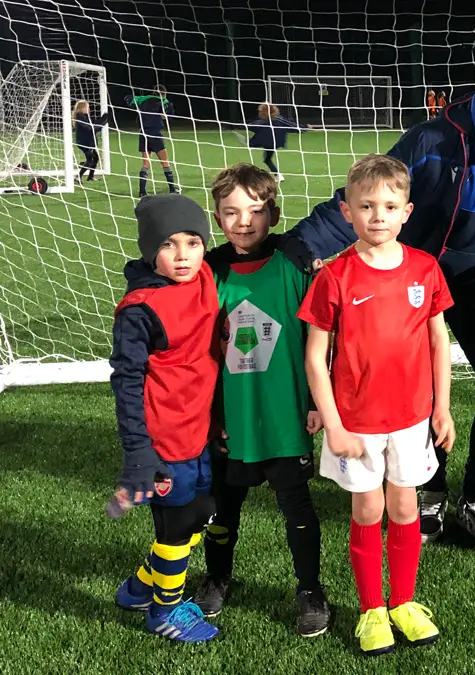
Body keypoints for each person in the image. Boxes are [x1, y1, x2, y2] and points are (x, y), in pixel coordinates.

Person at [283, 42, 475, 552]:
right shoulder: (433, 141)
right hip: (418, 280)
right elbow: (371, 194)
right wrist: (299, 247)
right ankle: (432, 489)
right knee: (417, 389)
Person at [298, 154, 454, 655]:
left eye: (389, 206)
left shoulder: (425, 269)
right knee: (367, 509)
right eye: (366, 206)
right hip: (358, 423)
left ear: (407, 211)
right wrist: (336, 425)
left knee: (406, 505)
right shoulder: (335, 276)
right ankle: (371, 610)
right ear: (347, 211)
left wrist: (443, 408)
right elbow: (315, 358)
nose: (378, 216)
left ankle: (404, 602)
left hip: (411, 417)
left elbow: (437, 343)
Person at [188, 163, 329, 637]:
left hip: (285, 413)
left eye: (255, 210)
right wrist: (211, 416)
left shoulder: (294, 263)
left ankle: (309, 588)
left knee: (297, 507)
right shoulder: (209, 272)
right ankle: (218, 576)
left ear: (273, 212)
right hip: (233, 418)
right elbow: (196, 350)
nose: (243, 221)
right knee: (223, 508)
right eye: (230, 212)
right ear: (217, 216)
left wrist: (315, 400)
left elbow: (319, 336)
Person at [109, 194, 220, 642]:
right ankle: (163, 613)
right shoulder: (140, 310)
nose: (182, 255)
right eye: (169, 244)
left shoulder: (206, 275)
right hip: (163, 443)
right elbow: (126, 382)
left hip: (200, 433)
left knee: (202, 515)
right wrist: (138, 451)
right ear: (150, 249)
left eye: (192, 242)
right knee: (175, 532)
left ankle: (139, 587)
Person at [125, 84, 177, 198]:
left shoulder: (142, 100)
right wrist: (165, 115)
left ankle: (142, 191)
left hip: (143, 135)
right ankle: (173, 189)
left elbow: (128, 99)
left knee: (146, 164)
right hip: (155, 135)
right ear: (163, 94)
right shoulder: (163, 101)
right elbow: (170, 113)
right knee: (165, 162)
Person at [248, 103, 310, 181]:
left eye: (260, 111)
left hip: (272, 142)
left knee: (263, 150)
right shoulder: (264, 121)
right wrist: (305, 127)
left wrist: (305, 127)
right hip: (271, 142)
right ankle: (278, 175)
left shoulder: (277, 120)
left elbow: (292, 126)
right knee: (267, 159)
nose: (259, 113)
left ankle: (251, 143)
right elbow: (252, 127)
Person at [73, 100, 110, 182]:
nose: (89, 109)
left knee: (95, 158)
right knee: (90, 161)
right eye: (87, 107)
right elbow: (90, 128)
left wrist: (104, 119)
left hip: (88, 142)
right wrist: (103, 122)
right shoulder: (80, 117)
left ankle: (90, 177)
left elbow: (93, 126)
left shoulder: (85, 116)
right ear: (82, 108)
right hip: (85, 143)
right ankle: (78, 177)